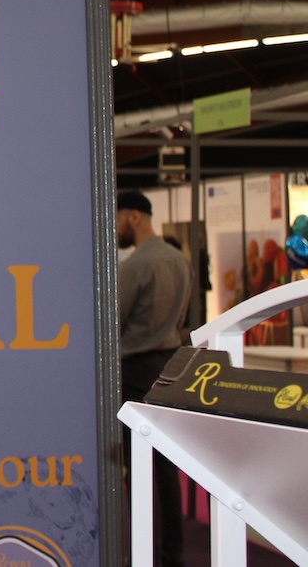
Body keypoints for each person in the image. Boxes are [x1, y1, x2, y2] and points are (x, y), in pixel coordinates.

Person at [117, 189, 191, 567]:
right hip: (170, 365)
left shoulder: (135, 266)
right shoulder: (179, 261)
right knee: (165, 465)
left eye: (118, 217)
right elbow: (183, 319)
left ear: (134, 217)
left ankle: (143, 550)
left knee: (136, 463)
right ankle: (172, 552)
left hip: (135, 371)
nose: (115, 226)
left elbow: (115, 318)